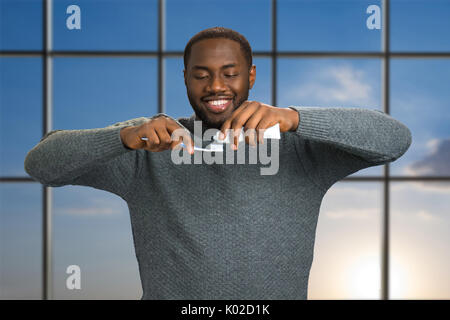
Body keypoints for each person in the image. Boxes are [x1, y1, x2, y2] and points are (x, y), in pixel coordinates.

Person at [24, 27, 412, 299]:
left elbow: (394, 139)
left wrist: (296, 118)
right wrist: (120, 138)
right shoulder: (147, 143)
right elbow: (41, 164)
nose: (216, 87)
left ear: (251, 76)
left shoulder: (298, 146)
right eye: (201, 75)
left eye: (230, 73)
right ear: (186, 79)